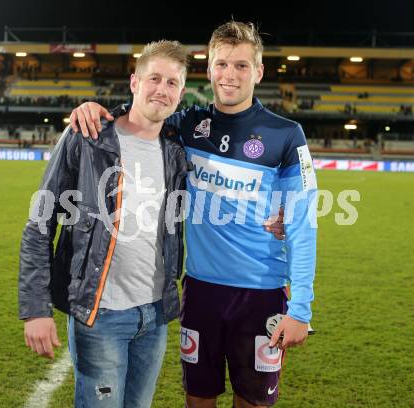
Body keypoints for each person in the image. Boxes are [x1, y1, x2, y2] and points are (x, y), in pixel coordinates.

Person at [70, 21, 317, 408]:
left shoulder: (286, 135)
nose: (230, 75)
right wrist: (95, 109)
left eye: (241, 66)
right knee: (197, 399)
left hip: (262, 296)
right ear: (209, 69)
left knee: (253, 402)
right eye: (221, 64)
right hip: (200, 291)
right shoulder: (187, 125)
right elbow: (141, 113)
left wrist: (301, 308)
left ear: (259, 72)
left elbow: (302, 226)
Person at [19, 40, 190, 408]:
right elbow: (40, 222)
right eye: (154, 78)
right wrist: (36, 307)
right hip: (102, 315)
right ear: (134, 83)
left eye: (172, 83)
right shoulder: (89, 135)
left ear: (182, 93)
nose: (162, 89)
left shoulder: (177, 150)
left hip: (155, 315)